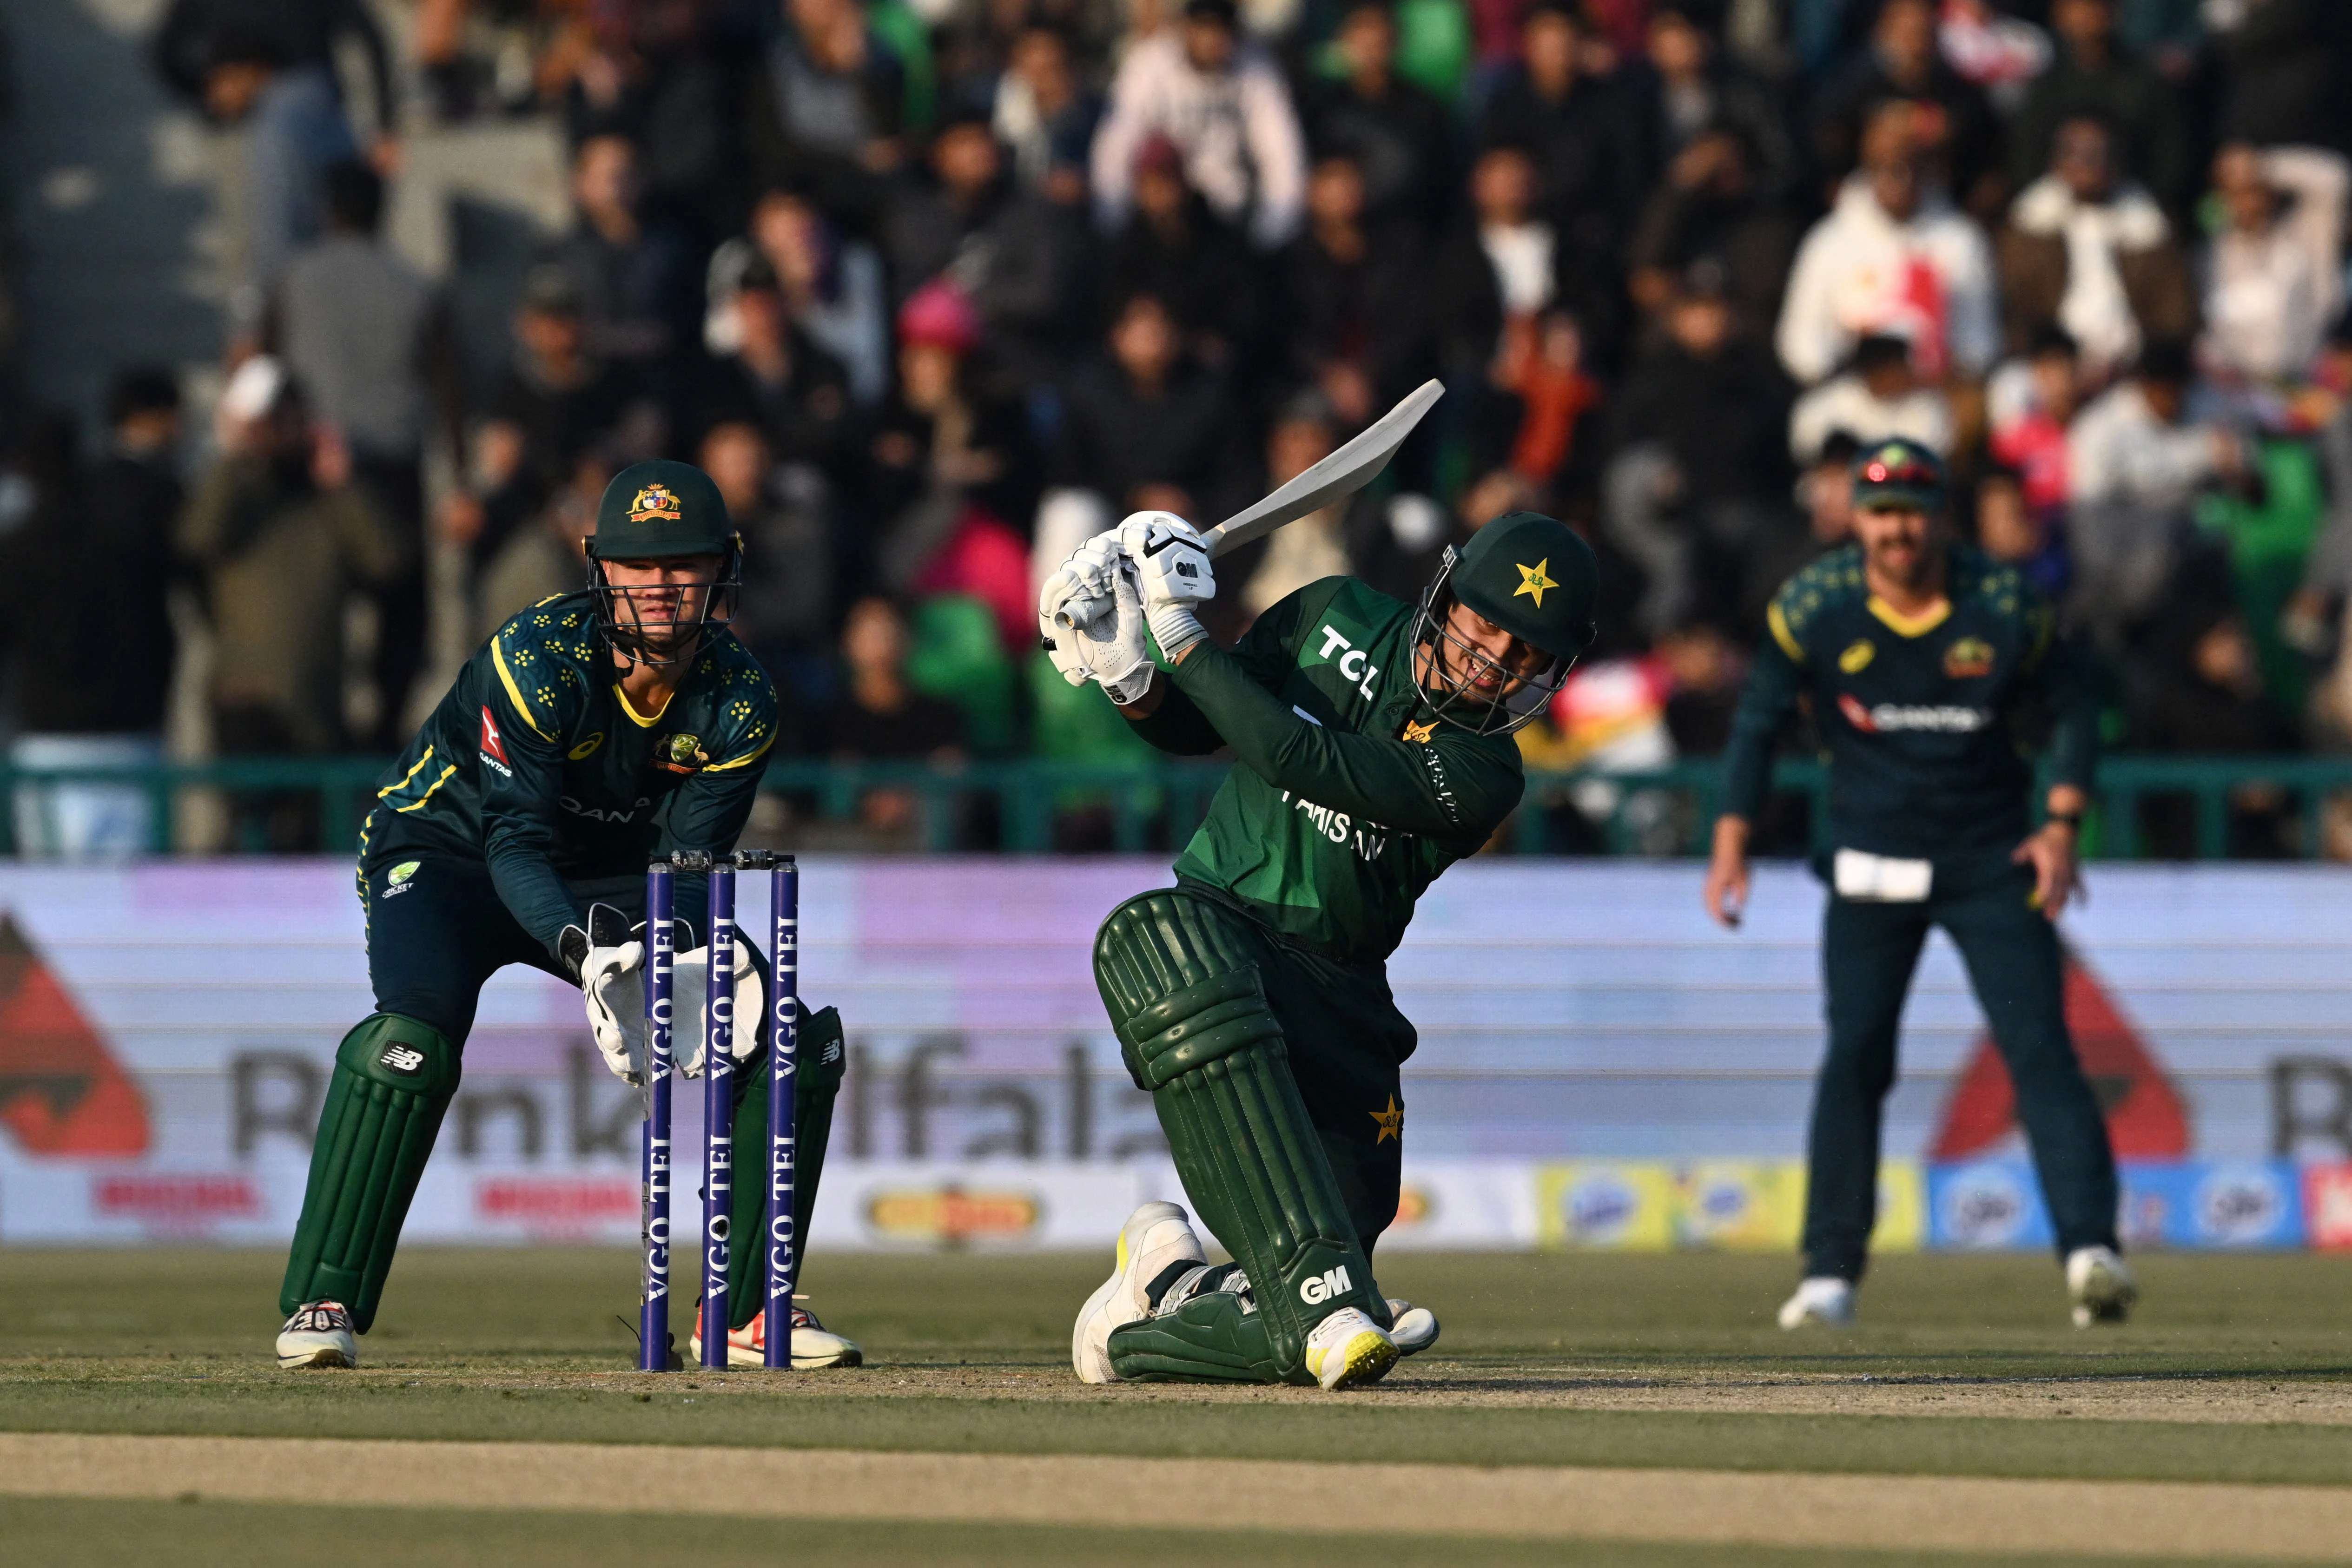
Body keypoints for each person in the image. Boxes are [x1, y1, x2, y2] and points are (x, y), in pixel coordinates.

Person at [273, 460, 859, 1374]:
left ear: (721, 572)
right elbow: (514, 843)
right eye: (637, 565)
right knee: (413, 1045)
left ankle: (742, 1311)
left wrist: (670, 946)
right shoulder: (538, 663)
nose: (660, 586)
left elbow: (689, 867)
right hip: (448, 856)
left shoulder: (741, 700)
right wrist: (588, 955)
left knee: (778, 1033)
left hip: (608, 872)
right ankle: (324, 1298)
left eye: (684, 564)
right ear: (602, 570)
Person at [1037, 505, 1598, 1388]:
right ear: (1447, 593)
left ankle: (1153, 1301)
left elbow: (1304, 757)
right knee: (1165, 943)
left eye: (1527, 654)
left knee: (1325, 1306)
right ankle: (1262, 1295)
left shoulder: (1488, 770)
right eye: (1488, 624)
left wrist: (1180, 629)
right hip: (1225, 931)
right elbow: (1205, 722)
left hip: (1342, 990)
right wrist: (1129, 670)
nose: (1496, 658)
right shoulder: (1331, 611)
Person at [1703, 439, 2133, 1332]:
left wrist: (2060, 825)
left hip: (1990, 858)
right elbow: (1757, 724)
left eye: (1914, 508)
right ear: (1855, 518)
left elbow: (2076, 707)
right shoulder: (1813, 607)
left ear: (1941, 515)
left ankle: (2093, 1253)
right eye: (1881, 510)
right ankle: (1829, 1273)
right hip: (1871, 865)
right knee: (1857, 1055)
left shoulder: (2005, 600)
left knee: (2040, 1048)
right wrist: (1731, 842)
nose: (1898, 528)